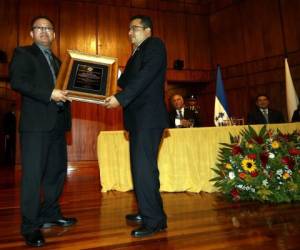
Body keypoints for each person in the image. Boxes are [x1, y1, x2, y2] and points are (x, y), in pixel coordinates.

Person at [9, 16, 77, 247]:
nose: (44, 32)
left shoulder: (60, 62)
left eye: (49, 28)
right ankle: (30, 226)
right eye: (39, 28)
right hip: (35, 127)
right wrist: (50, 94)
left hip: (58, 125)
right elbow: (18, 82)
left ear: (54, 35)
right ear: (31, 33)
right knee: (33, 176)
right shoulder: (23, 53)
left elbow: (68, 89)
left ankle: (50, 213)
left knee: (56, 173)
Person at [105, 15, 168, 237]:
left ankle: (154, 222)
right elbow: (124, 81)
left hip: (148, 118)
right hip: (138, 120)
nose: (130, 33)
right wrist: (104, 72)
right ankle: (148, 211)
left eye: (135, 28)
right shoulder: (136, 53)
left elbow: (145, 77)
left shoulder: (155, 45)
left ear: (148, 30)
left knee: (144, 169)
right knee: (142, 169)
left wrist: (120, 99)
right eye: (129, 29)